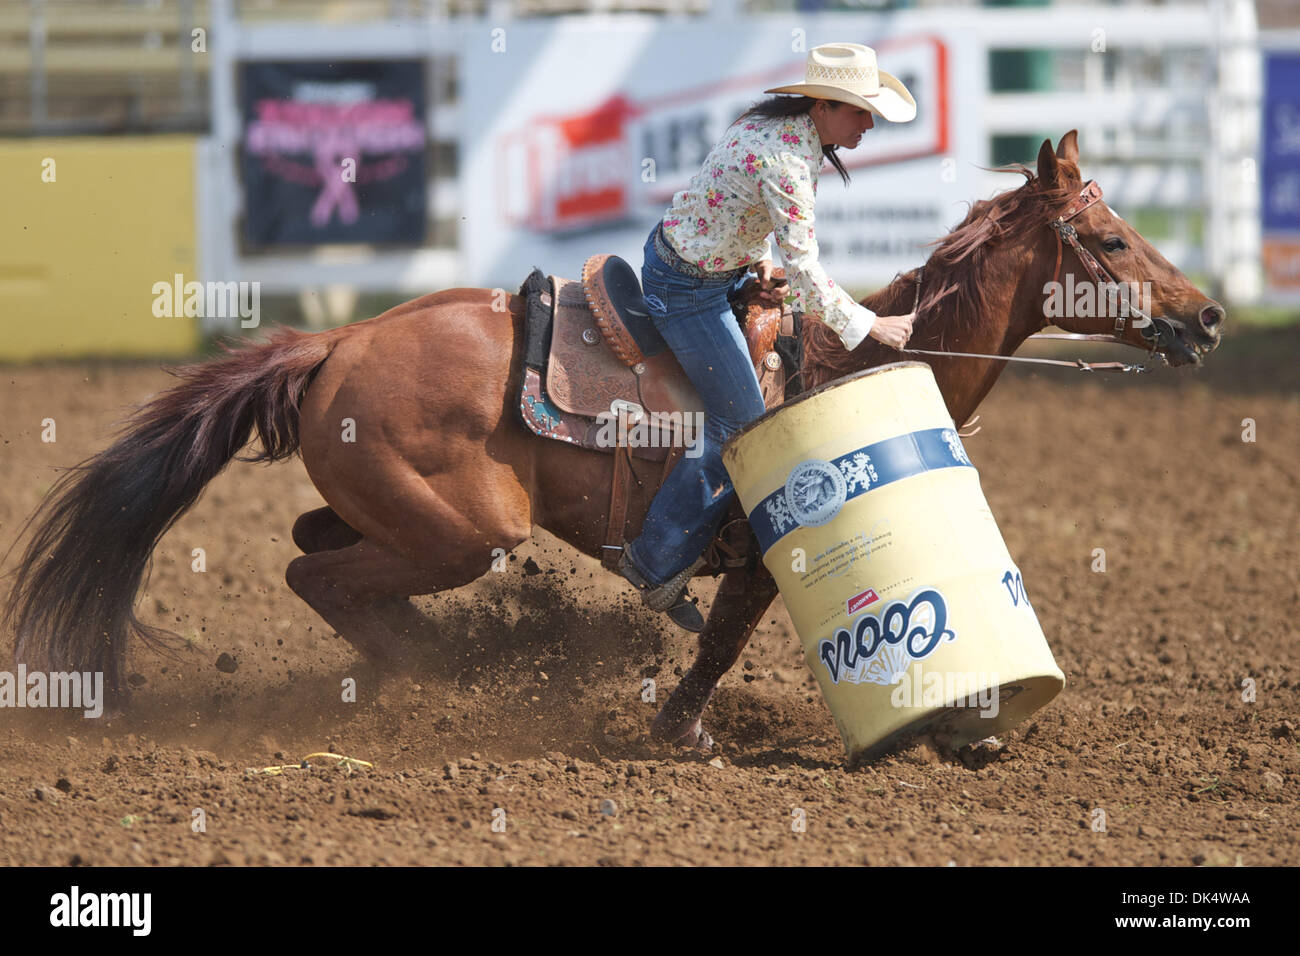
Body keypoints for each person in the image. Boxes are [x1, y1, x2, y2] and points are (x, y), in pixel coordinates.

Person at [617, 42, 918, 631]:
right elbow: (805, 272)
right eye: (861, 111)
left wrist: (756, 265)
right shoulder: (787, 162)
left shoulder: (770, 128)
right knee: (742, 429)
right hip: (689, 289)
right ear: (826, 106)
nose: (870, 122)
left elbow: (733, 207)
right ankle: (652, 564)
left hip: (697, 265)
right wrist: (870, 324)